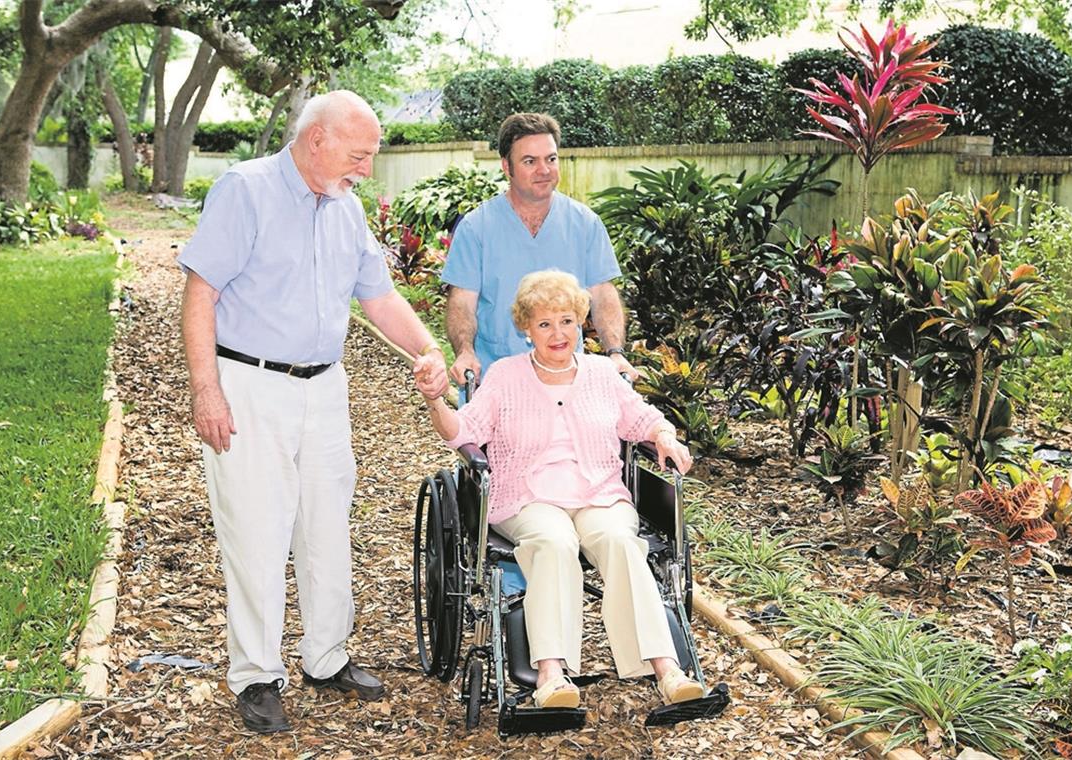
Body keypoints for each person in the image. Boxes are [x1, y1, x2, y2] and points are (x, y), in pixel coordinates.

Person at [178, 90, 447, 734]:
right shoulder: (246, 190)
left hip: (325, 387)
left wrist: (427, 346)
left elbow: (378, 299)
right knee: (257, 533)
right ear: (317, 139)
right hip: (250, 385)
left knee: (327, 524)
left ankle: (326, 658)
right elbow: (201, 290)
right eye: (359, 155)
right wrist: (205, 388)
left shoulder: (347, 209)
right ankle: (257, 675)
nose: (366, 170)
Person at [414, 270, 704, 709]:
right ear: (526, 329)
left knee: (620, 541)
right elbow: (462, 432)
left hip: (599, 493)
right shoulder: (506, 377)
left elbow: (642, 418)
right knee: (553, 542)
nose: (558, 333)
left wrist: (665, 437)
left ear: (580, 323)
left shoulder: (603, 374)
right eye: (545, 323)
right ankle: (551, 673)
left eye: (567, 321)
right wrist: (436, 399)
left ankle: (666, 668)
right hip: (527, 496)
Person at [441, 112, 638, 385]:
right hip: (495, 379)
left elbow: (603, 293)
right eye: (530, 161)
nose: (544, 170)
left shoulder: (585, 223)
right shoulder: (477, 227)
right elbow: (462, 302)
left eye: (551, 159)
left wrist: (615, 352)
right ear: (506, 167)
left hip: (565, 382)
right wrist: (465, 352)